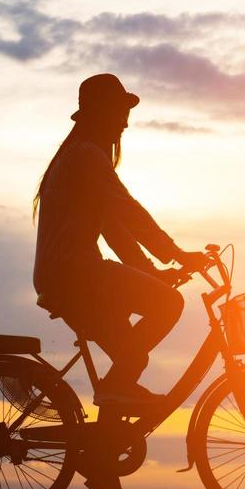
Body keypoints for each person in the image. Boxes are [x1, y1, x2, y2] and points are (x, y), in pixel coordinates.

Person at [32, 73, 208, 406]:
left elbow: (116, 233)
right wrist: (177, 255)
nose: (125, 125)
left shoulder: (76, 156)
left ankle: (105, 444)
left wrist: (152, 272)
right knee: (169, 305)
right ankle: (113, 393)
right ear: (103, 113)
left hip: (62, 276)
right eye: (120, 113)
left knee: (132, 358)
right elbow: (128, 211)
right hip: (76, 274)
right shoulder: (85, 156)